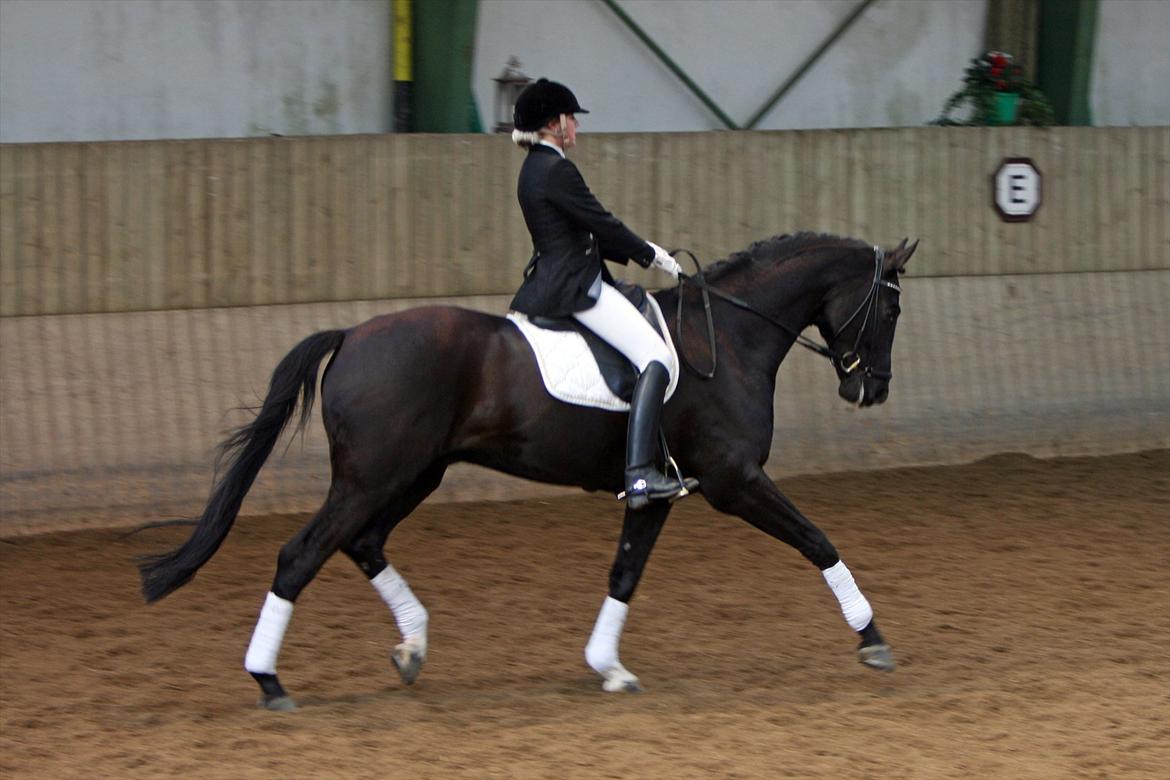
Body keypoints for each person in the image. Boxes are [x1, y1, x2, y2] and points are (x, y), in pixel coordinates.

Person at [508, 78, 689, 509]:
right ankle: (641, 474)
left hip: (554, 278)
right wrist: (650, 255)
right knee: (657, 358)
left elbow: (579, 231)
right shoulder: (557, 169)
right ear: (554, 124)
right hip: (573, 287)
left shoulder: (534, 168)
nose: (576, 127)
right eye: (571, 119)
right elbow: (600, 222)